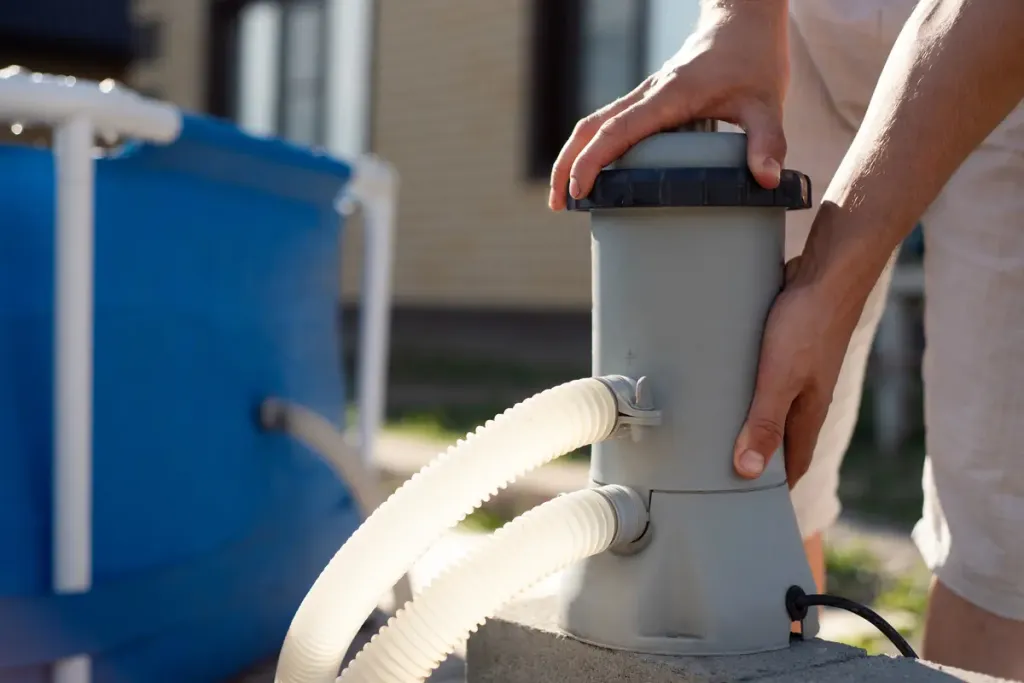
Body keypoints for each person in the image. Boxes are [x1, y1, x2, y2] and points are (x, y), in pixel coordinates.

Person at [548, 0, 1024, 678]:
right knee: (746, 475)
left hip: (1006, 53)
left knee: (1004, 540)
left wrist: (834, 277)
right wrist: (737, 17)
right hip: (810, 26)